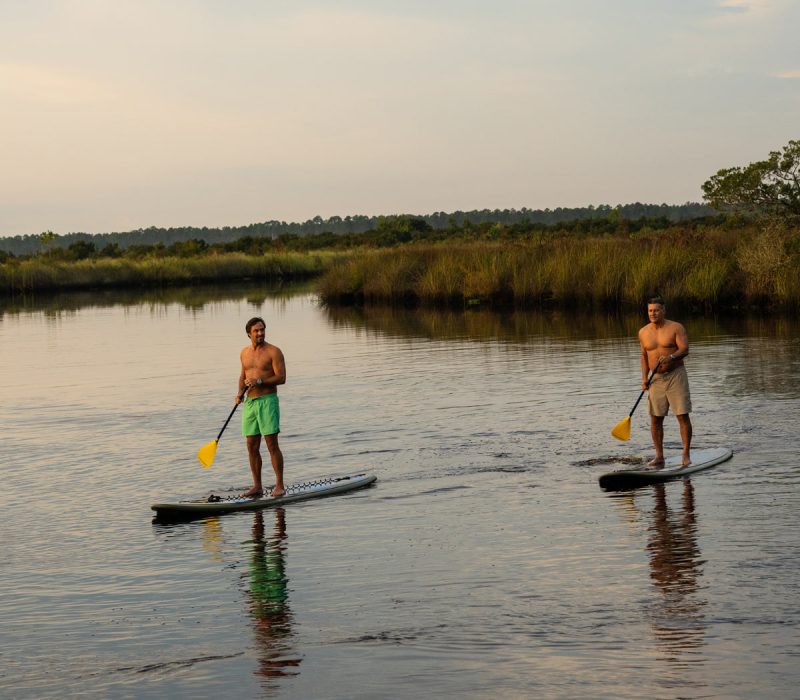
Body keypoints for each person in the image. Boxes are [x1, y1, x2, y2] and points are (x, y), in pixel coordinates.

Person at [638, 297, 692, 467]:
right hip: (656, 379)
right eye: (650, 310)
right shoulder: (643, 332)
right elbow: (644, 356)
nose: (653, 313)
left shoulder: (676, 327)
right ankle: (659, 456)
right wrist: (644, 379)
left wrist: (671, 357)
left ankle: (685, 454)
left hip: (676, 375)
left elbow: (685, 349)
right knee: (655, 419)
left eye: (656, 310)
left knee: (682, 415)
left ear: (664, 310)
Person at [237, 317, 287, 497]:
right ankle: (257, 486)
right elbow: (243, 375)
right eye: (256, 330)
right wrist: (239, 393)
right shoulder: (244, 353)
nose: (260, 333)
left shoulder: (274, 352)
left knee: (272, 444)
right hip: (250, 403)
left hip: (267, 401)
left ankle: (279, 485)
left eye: (262, 330)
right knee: (251, 446)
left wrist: (260, 381)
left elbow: (281, 378)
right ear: (248, 333)